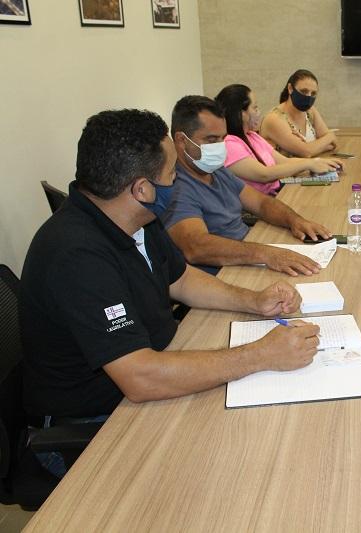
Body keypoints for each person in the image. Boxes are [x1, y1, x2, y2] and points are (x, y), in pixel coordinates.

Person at [19, 109, 321, 476]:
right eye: (172, 173)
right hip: (96, 425)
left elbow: (180, 279)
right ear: (142, 189)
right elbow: (140, 378)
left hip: (148, 378)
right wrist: (259, 355)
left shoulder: (133, 216)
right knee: (247, 462)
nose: (177, 180)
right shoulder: (76, 255)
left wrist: (254, 301)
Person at [162, 95, 332, 276]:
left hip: (249, 258)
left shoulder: (216, 170)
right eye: (211, 140)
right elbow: (197, 247)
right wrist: (266, 254)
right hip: (225, 273)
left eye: (222, 138)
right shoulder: (175, 187)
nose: (220, 146)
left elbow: (260, 203)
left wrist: (295, 221)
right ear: (181, 140)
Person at [215, 83, 342, 197]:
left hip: (277, 191)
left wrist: (319, 162)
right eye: (255, 108)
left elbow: (284, 161)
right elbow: (264, 174)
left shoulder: (252, 136)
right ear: (241, 113)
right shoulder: (230, 144)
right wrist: (308, 164)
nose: (259, 112)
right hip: (264, 202)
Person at [259, 69, 338, 158]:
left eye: (313, 93)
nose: (308, 97)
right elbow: (307, 152)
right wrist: (330, 136)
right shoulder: (274, 119)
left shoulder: (310, 111)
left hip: (311, 165)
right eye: (304, 91)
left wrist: (314, 147)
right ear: (290, 88)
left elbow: (333, 143)